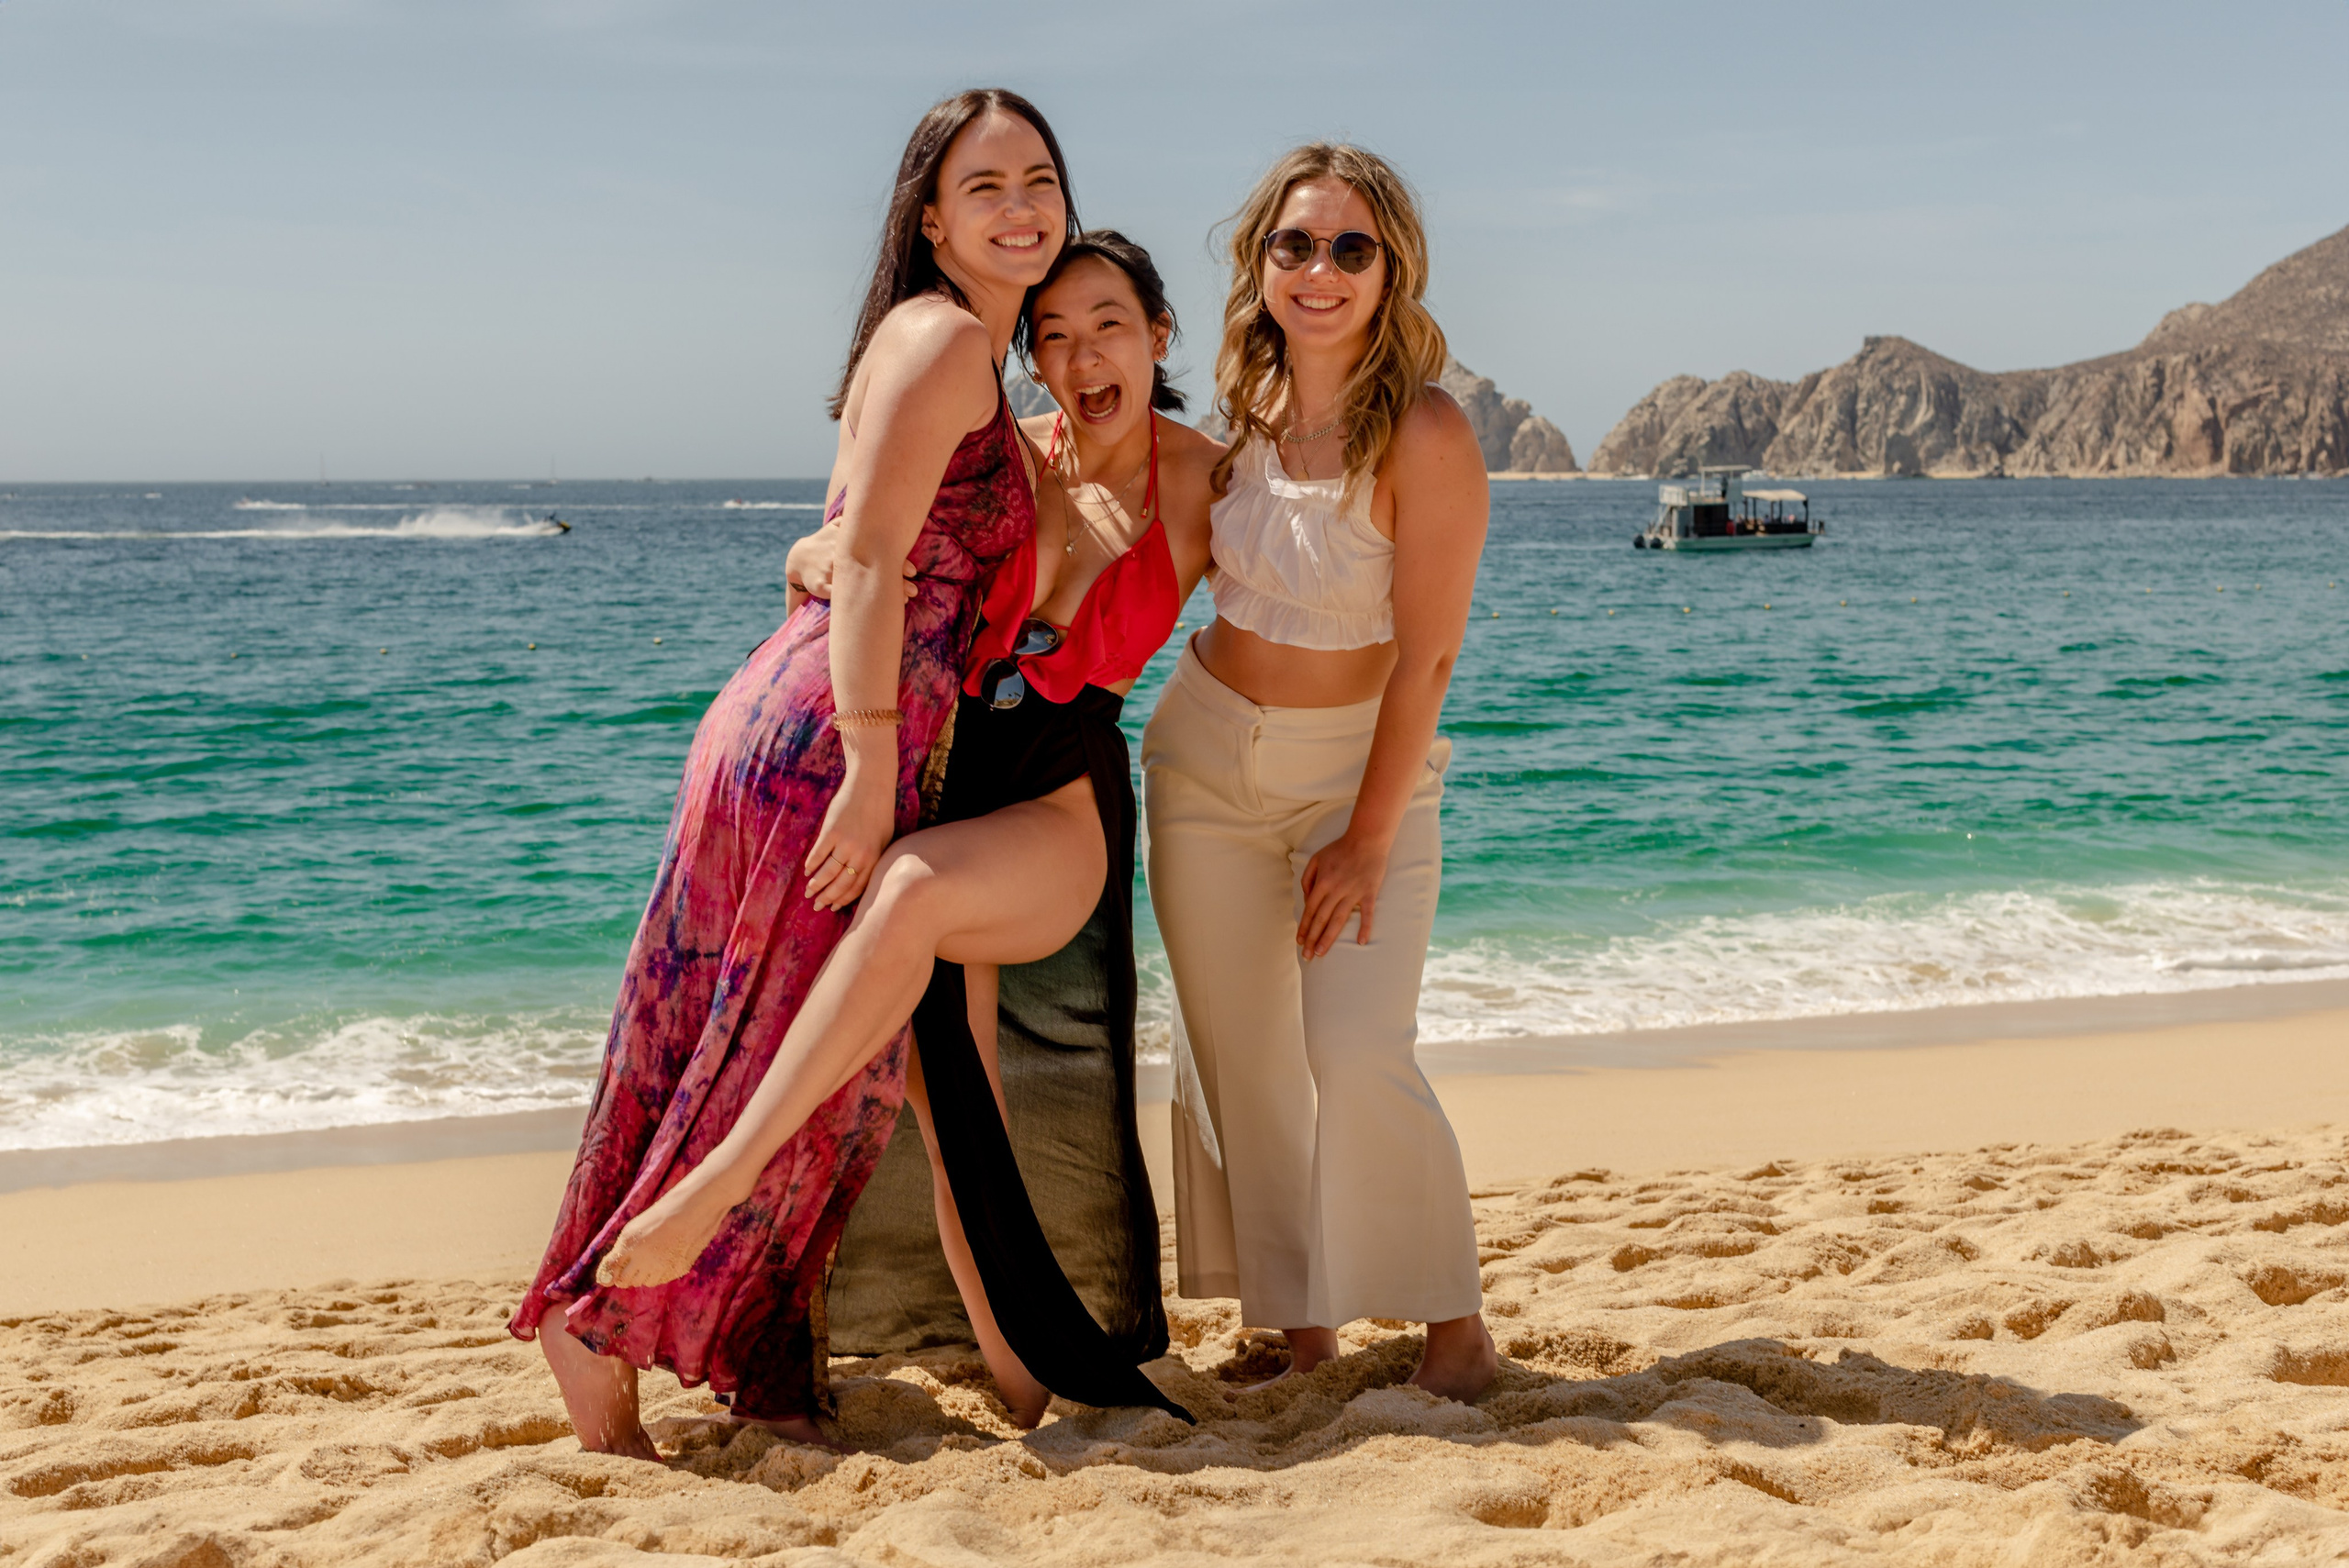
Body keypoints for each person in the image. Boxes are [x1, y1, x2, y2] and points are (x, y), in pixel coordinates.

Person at [506, 87, 1072, 1457]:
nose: (1020, 207)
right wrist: (877, 763)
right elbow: (870, 561)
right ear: (929, 217)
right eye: (984, 185)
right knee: (785, 1059)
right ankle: (593, 1325)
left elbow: (837, 541)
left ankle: (746, 1355)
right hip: (832, 732)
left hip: (802, 704)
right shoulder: (943, 343)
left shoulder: (935, 347)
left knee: (741, 1041)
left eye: (1040, 179)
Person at [597, 233, 1218, 1427]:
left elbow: (1310, 589)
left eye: (1109, 325)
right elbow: (861, 560)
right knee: (953, 1099)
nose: (1083, 354)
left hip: (1056, 790)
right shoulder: (993, 464)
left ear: (1158, 337)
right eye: (1054, 336)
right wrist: (802, 559)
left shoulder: (1206, 481)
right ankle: (1031, 1387)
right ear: (1028, 357)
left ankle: (714, 1187)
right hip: (941, 774)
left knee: (915, 895)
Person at [1141, 142, 1497, 1402]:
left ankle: (1455, 1325)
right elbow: (1086, 509)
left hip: (1363, 779)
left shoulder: (1428, 431)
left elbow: (1430, 660)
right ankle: (1302, 1332)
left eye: (1351, 247)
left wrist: (1367, 834)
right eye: (1296, 244)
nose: (1322, 270)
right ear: (1262, 263)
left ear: (1391, 269)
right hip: (1199, 763)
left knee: (1355, 1046)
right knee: (1245, 1056)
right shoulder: (1227, 426)